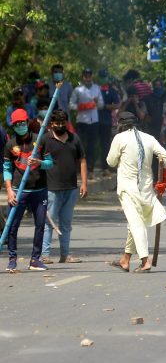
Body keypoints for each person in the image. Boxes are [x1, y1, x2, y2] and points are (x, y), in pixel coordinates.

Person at [107, 112, 166, 273]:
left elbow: (111, 161)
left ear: (121, 125)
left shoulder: (119, 138)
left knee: (135, 223)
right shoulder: (149, 138)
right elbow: (165, 156)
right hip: (146, 189)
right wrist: (163, 182)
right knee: (134, 223)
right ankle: (125, 260)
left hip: (128, 188)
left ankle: (145, 261)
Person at [4, 108, 54, 272]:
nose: (20, 126)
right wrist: (10, 191)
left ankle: (35, 259)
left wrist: (39, 163)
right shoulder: (10, 144)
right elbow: (6, 169)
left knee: (40, 225)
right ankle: (12, 259)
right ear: (13, 126)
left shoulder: (39, 140)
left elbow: (50, 163)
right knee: (12, 225)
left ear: (28, 122)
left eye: (23, 123)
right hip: (19, 191)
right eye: (17, 124)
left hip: (39, 190)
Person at [41, 110, 88, 264]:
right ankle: (44, 255)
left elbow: (82, 160)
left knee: (66, 223)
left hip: (71, 188)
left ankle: (65, 255)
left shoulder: (74, 139)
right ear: (51, 124)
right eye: (57, 123)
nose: (60, 126)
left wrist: (84, 183)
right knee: (49, 222)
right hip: (51, 188)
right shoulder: (45, 139)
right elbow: (36, 161)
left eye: (63, 123)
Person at [69, 68, 104, 180]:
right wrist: (81, 106)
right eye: (85, 76)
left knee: (91, 146)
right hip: (82, 121)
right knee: (81, 146)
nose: (87, 78)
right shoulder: (78, 90)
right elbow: (71, 104)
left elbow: (101, 105)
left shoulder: (97, 88)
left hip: (94, 121)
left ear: (91, 76)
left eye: (89, 76)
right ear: (83, 77)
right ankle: (79, 170)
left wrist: (97, 103)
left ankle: (90, 170)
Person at [98, 72, 120, 177]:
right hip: (93, 121)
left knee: (105, 145)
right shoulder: (95, 89)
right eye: (101, 77)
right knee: (90, 144)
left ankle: (105, 167)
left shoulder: (111, 91)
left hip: (106, 121)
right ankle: (89, 168)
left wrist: (106, 107)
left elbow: (117, 104)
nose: (103, 79)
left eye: (105, 77)